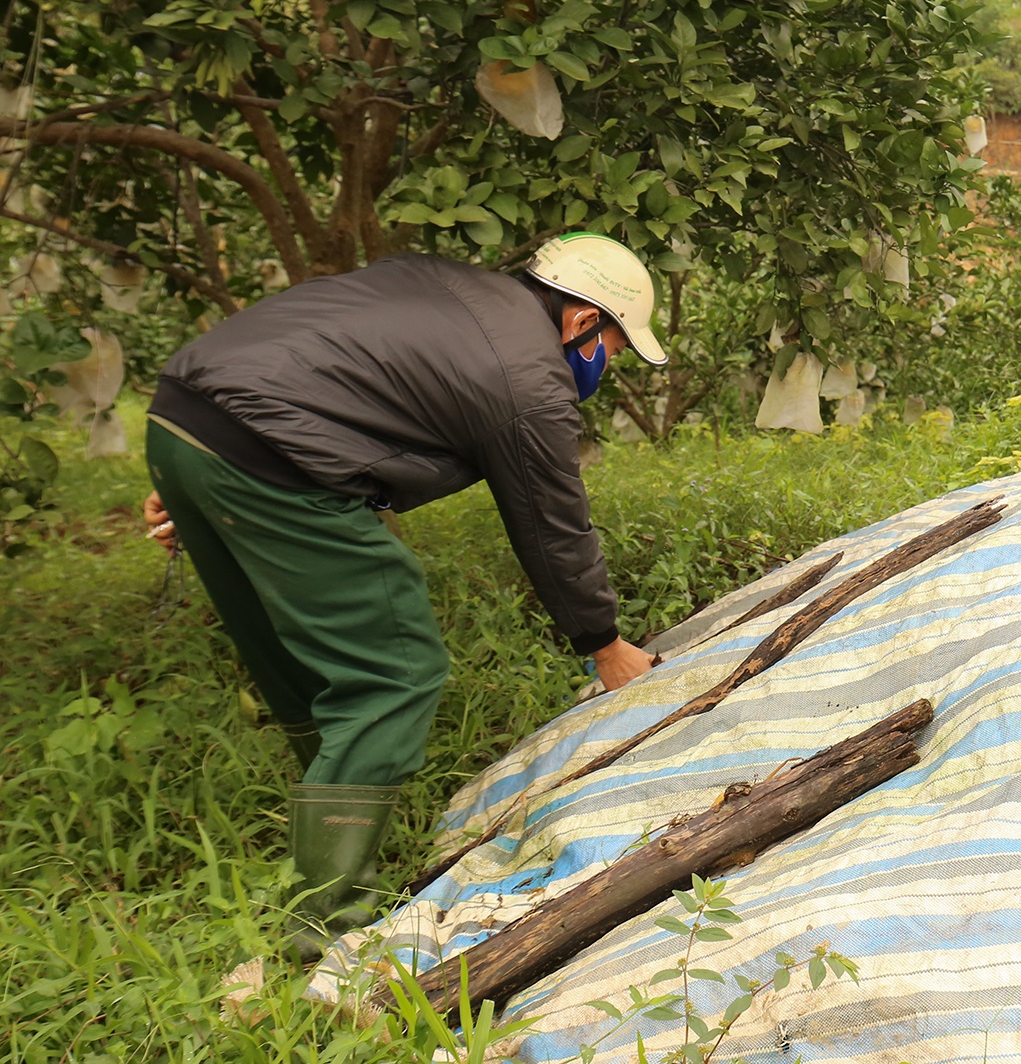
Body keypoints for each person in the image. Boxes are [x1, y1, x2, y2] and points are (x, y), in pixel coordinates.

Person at [140, 233, 666, 958]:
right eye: (614, 346)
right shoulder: (530, 374)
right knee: (397, 671)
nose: (609, 364)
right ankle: (325, 929)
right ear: (581, 323)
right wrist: (604, 645)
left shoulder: (438, 281)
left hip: (185, 418)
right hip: (274, 457)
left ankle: (329, 843)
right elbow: (552, 526)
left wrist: (194, 471)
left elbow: (322, 374)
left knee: (297, 663)